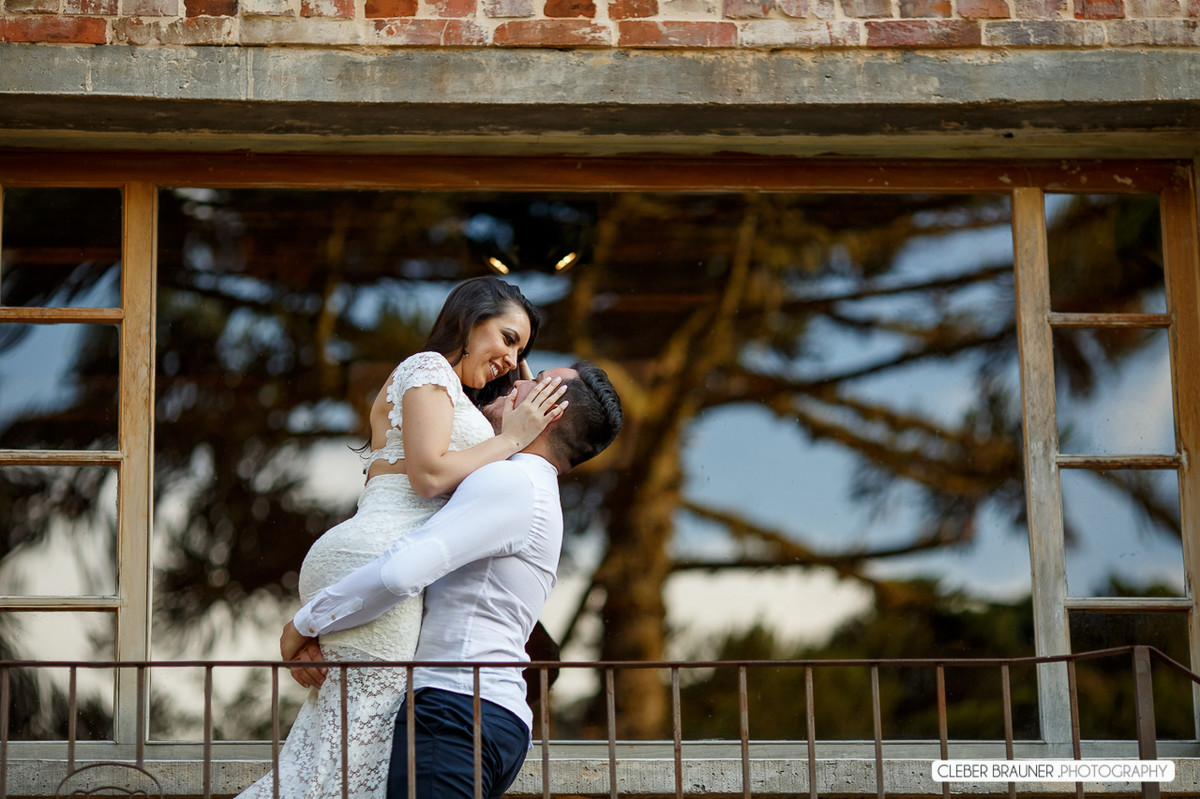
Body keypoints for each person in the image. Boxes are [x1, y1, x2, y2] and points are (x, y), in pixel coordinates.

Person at [236, 276, 568, 799]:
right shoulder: (427, 368)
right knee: (357, 755)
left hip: (384, 566)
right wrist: (511, 438)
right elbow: (430, 476)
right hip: (378, 556)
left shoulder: (458, 398)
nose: (511, 357)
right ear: (470, 319)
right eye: (507, 337)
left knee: (344, 747)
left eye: (521, 349)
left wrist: (514, 394)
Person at [281, 361, 623, 799]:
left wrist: (305, 624)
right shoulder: (530, 487)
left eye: (534, 383)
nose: (517, 381)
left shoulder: (512, 482)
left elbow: (401, 570)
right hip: (480, 714)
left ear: (548, 410)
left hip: (456, 712)